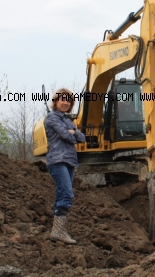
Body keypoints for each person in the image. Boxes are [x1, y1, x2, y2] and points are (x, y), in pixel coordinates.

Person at [45, 88, 85, 244]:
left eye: (68, 101)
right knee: (67, 194)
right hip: (57, 160)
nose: (65, 103)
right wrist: (72, 133)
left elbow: (81, 137)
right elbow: (68, 136)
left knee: (62, 194)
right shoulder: (52, 118)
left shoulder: (68, 120)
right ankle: (59, 231)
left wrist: (73, 132)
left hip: (69, 160)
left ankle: (57, 231)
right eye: (62, 100)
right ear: (56, 101)